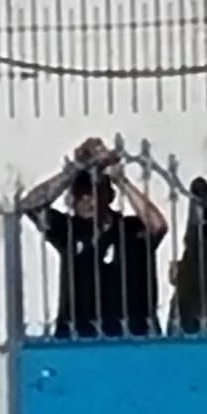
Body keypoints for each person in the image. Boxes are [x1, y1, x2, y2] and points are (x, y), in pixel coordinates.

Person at [20, 137, 167, 338]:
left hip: (132, 336)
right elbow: (30, 206)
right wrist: (72, 171)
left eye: (91, 193)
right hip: (78, 337)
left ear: (109, 196)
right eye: (79, 195)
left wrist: (120, 180)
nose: (85, 201)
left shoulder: (130, 228)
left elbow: (158, 225)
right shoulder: (68, 229)